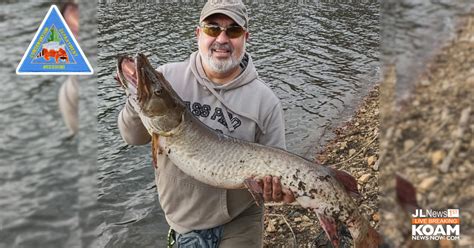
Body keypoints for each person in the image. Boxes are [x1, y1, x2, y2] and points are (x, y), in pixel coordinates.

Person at [117, 0, 294, 246]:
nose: (222, 39)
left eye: (233, 31)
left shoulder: (266, 102)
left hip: (240, 221)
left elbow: (277, 176)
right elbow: (132, 137)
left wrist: (274, 191)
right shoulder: (167, 78)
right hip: (183, 221)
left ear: (245, 37)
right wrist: (135, 98)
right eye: (213, 29)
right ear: (198, 34)